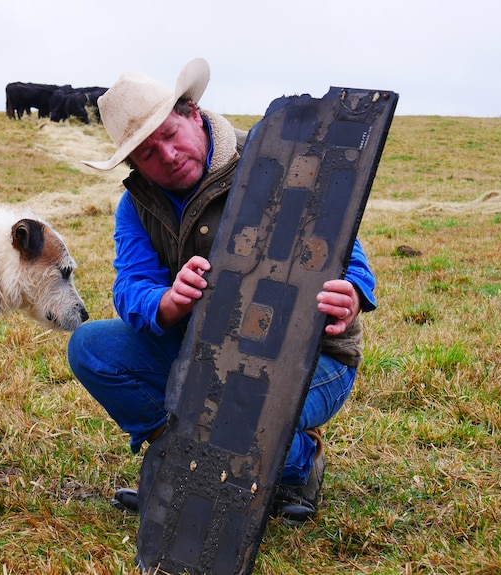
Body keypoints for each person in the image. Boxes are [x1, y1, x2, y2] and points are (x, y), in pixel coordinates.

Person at [67, 58, 376, 525]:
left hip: (312, 358)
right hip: (204, 351)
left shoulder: (277, 161)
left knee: (227, 396)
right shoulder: (136, 206)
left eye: (171, 136)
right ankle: (188, 459)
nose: (167, 156)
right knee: (92, 348)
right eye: (148, 153)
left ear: (193, 113)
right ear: (133, 164)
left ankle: (297, 465)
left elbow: (348, 257)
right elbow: (130, 287)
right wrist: (166, 302)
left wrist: (351, 293)